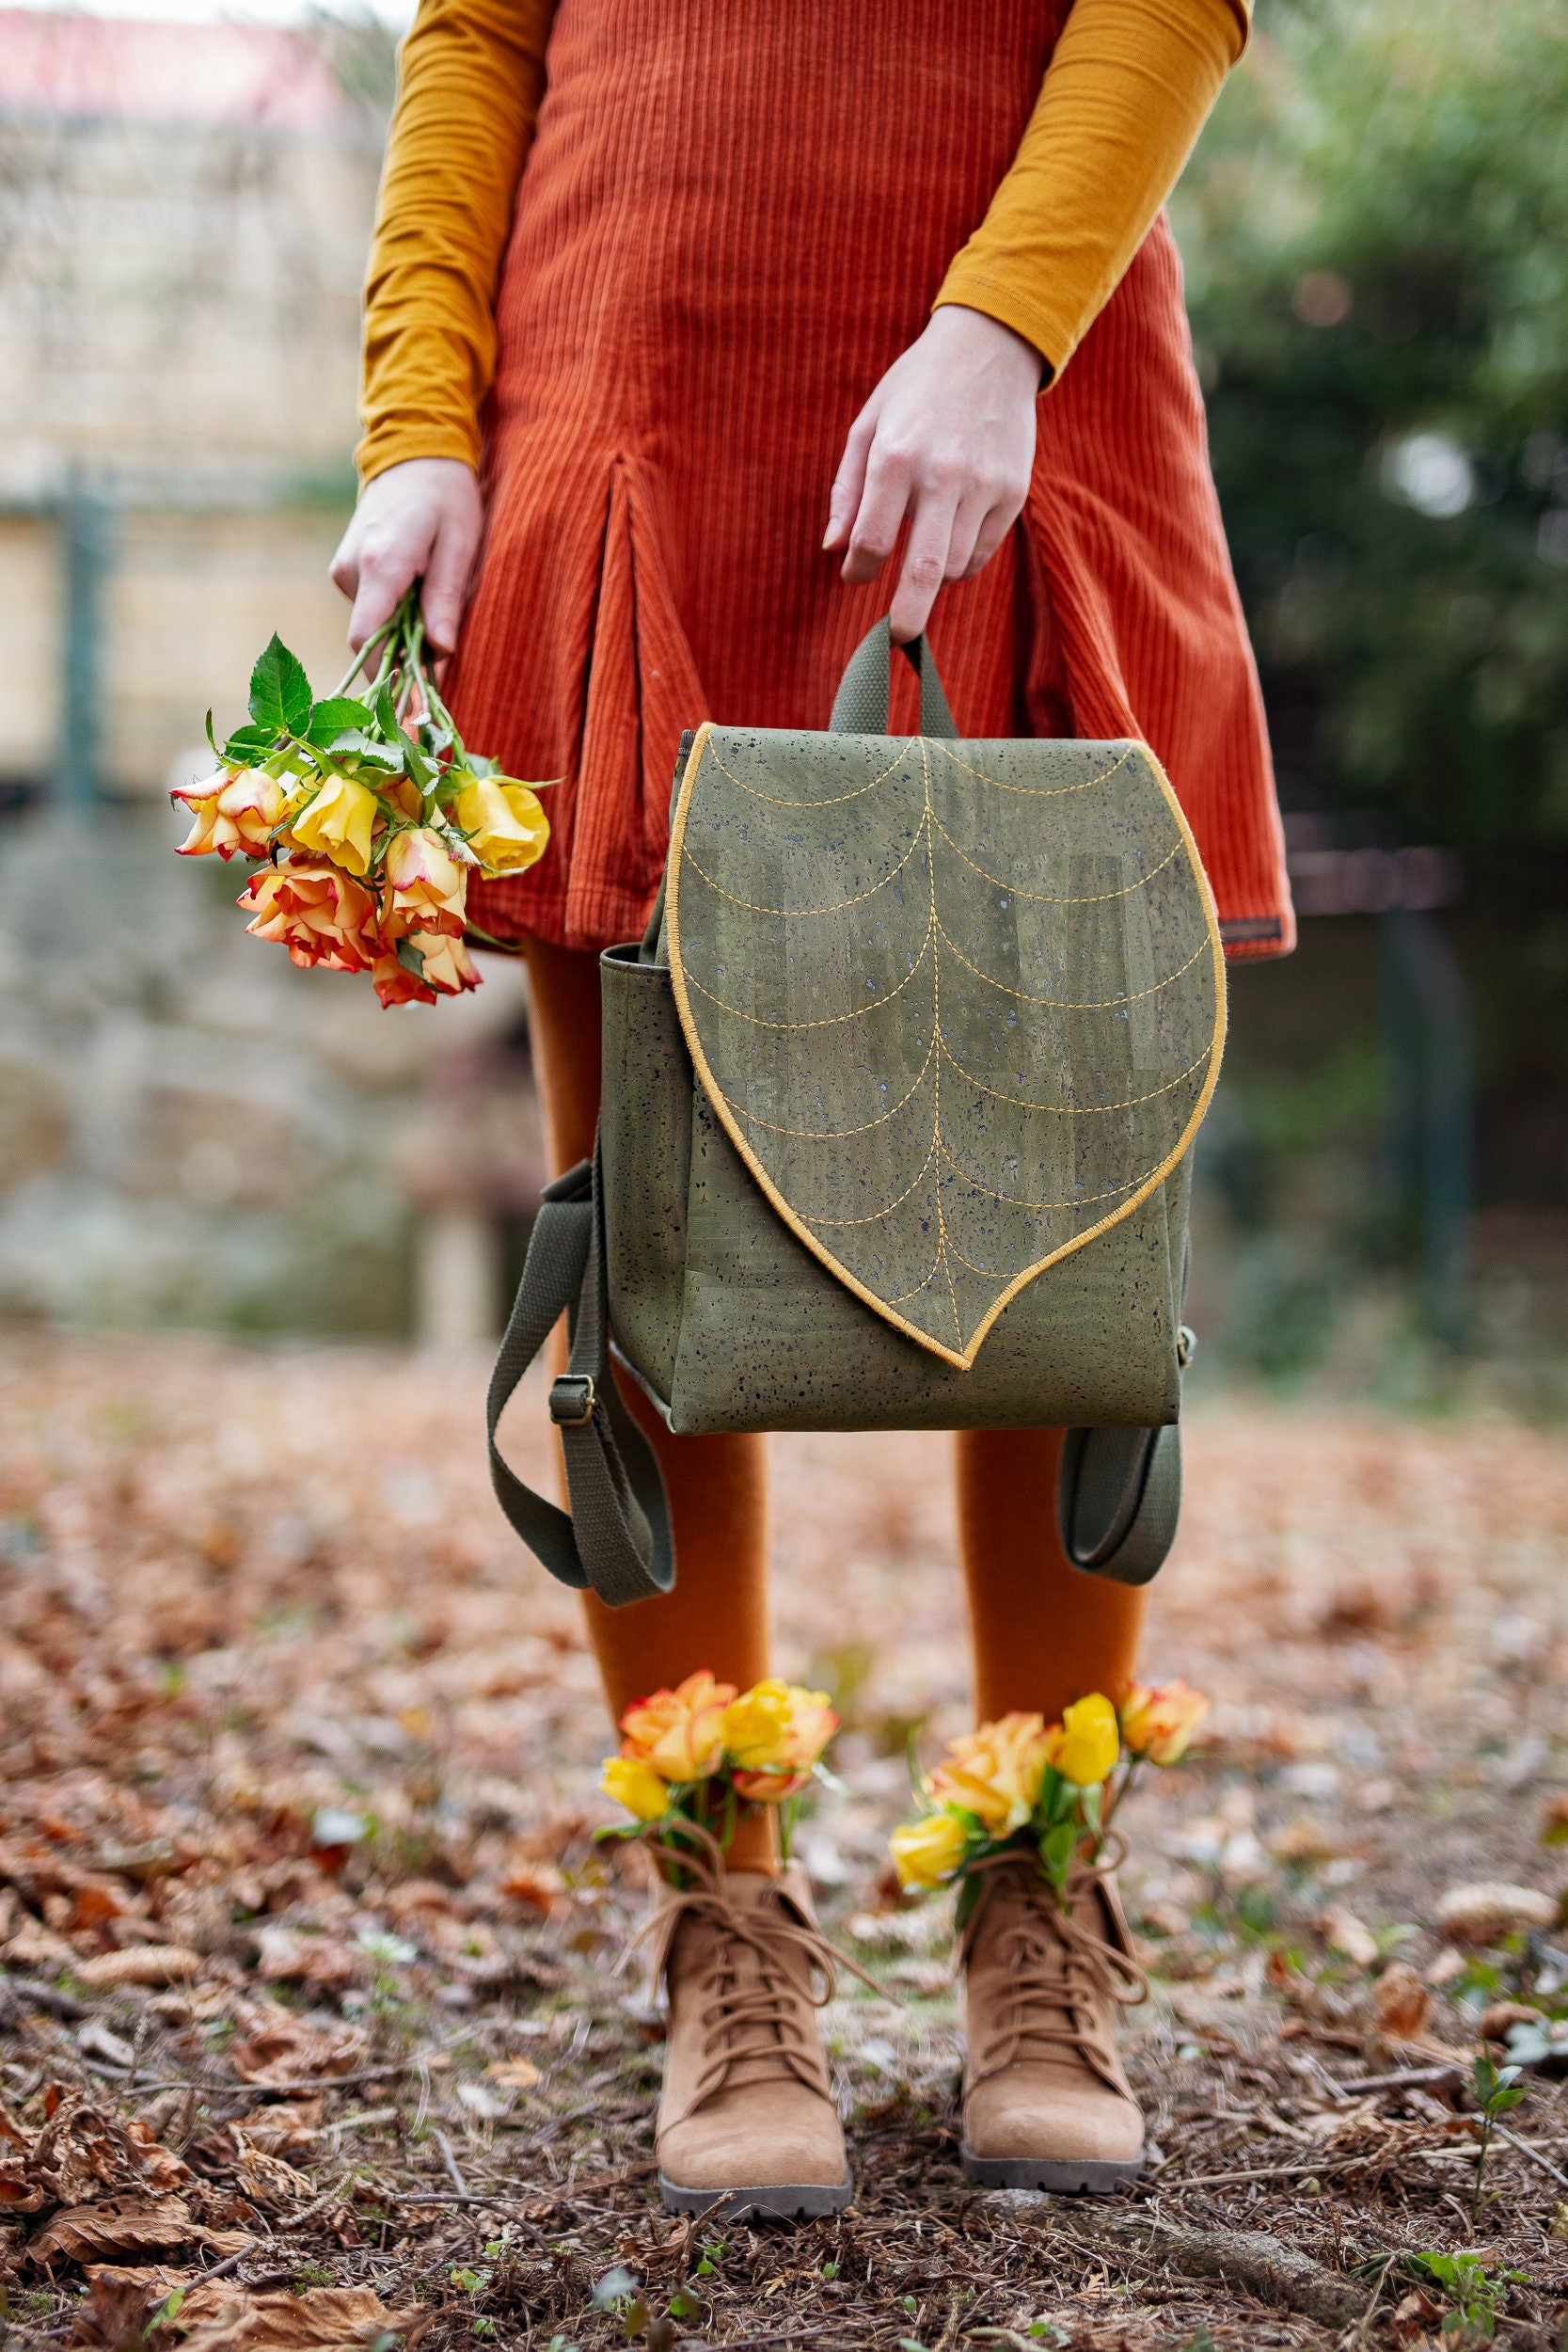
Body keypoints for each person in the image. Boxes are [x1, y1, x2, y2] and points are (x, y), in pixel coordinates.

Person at [331, 0, 1293, 2217]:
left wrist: (1000, 325)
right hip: (628, 393)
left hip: (1004, 402)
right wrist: (420, 418)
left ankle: (1038, 1906)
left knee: (1041, 1194)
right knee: (646, 1229)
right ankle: (723, 1925)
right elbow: (475, 30)